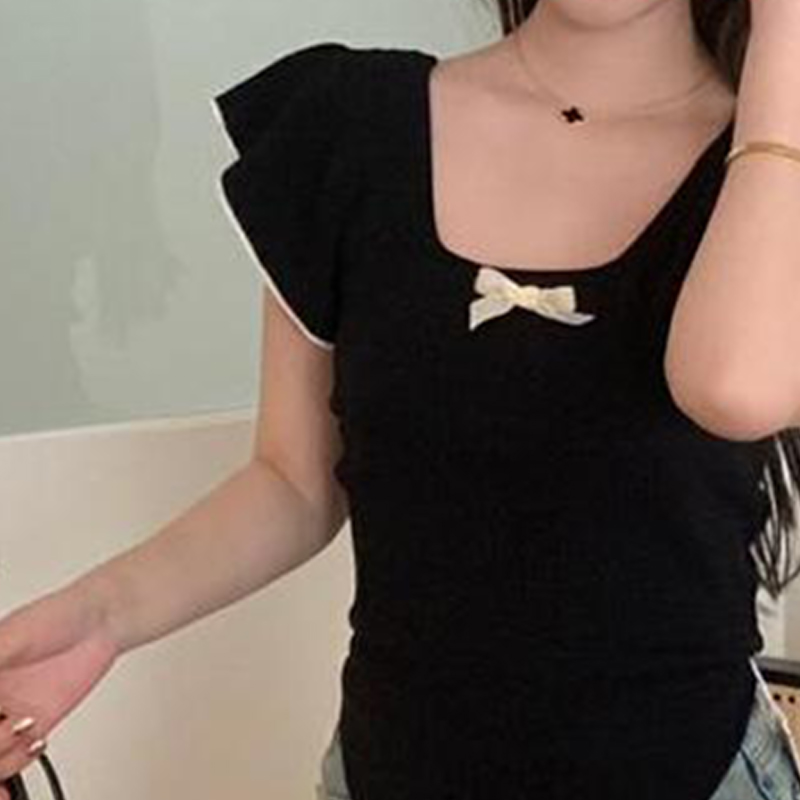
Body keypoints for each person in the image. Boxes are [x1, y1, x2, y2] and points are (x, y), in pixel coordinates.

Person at [2, 1, 800, 798]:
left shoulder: (770, 173)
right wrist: (99, 618)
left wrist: (785, 46)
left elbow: (731, 386)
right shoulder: (351, 124)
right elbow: (293, 482)